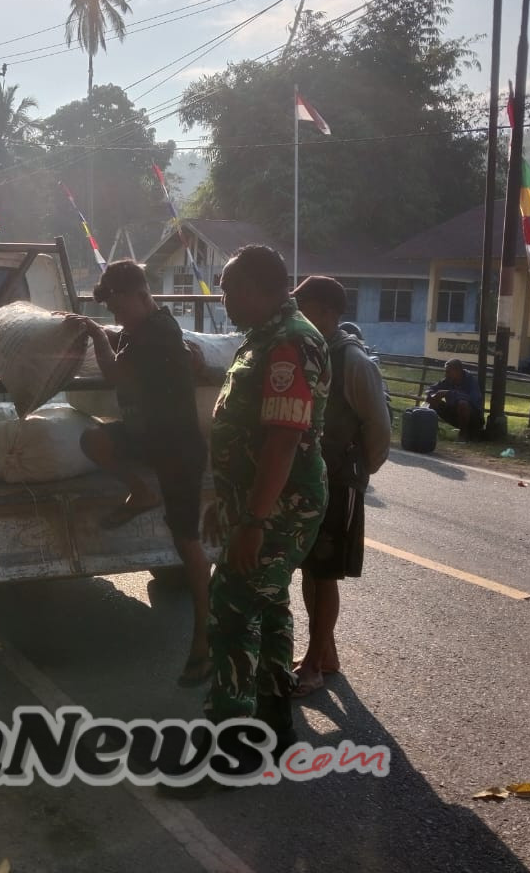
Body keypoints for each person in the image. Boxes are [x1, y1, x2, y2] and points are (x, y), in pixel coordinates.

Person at [199, 245, 330, 778]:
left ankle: (231, 752)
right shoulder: (263, 338)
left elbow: (281, 443)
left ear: (259, 287)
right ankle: (273, 732)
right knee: (270, 610)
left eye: (231, 290)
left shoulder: (290, 343)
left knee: (230, 612)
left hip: (280, 508)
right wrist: (226, 506)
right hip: (255, 504)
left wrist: (252, 523)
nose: (225, 300)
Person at [64, 260, 211, 687]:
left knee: (188, 544)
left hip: (179, 450)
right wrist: (104, 331)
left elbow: (114, 372)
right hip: (150, 438)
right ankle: (141, 492)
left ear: (136, 294)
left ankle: (205, 638)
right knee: (95, 440)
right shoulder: (151, 327)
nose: (114, 315)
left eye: (115, 305)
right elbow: (132, 346)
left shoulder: (157, 333)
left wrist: (94, 335)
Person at [291, 276, 392, 697]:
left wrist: (359, 473)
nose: (297, 316)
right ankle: (325, 653)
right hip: (312, 476)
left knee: (324, 571)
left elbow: (379, 427)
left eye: (305, 308)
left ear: (329, 313)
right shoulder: (310, 352)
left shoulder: (353, 362)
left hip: (338, 480)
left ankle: (314, 665)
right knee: (310, 569)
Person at [425, 358, 484, 439]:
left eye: (448, 372)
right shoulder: (448, 380)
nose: (446, 374)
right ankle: (431, 430)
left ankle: (463, 435)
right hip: (454, 414)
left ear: (458, 371)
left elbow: (472, 399)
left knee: (462, 404)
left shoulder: (471, 381)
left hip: (473, 419)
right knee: (432, 400)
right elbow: (432, 388)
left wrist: (448, 393)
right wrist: (431, 395)